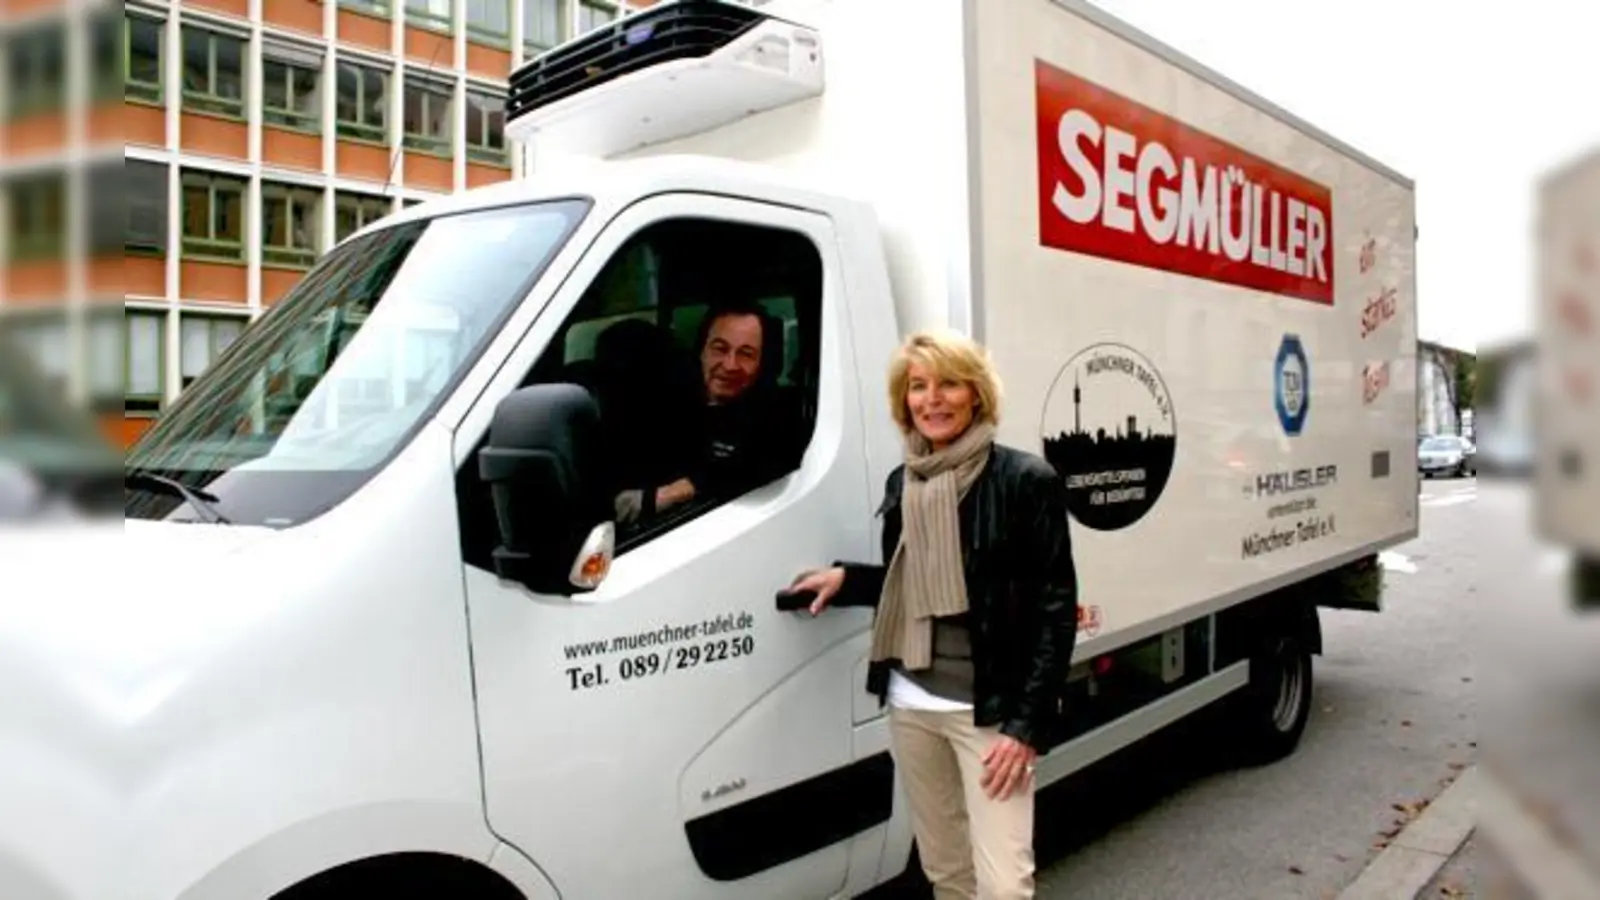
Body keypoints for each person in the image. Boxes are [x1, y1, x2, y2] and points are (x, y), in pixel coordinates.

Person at [786, 329, 1078, 900]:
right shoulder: (908, 482)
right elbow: (911, 579)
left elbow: (1054, 612)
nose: (933, 399)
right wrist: (849, 580)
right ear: (904, 400)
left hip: (989, 715)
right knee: (947, 874)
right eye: (919, 386)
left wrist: (1025, 729)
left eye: (948, 383)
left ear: (976, 395)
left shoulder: (1023, 480)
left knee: (1002, 885)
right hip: (912, 702)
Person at [615, 299, 805, 523]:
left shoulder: (775, 418)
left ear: (763, 364)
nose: (730, 365)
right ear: (702, 351)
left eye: (746, 354)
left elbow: (761, 469)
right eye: (720, 349)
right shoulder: (667, 407)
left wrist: (683, 489)